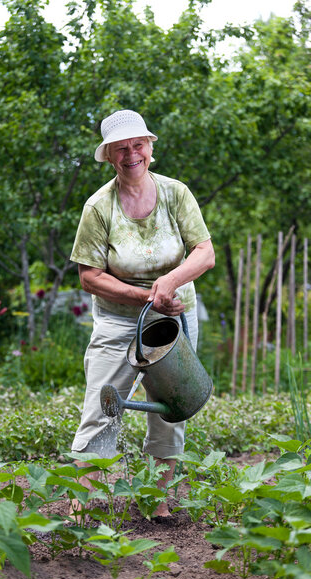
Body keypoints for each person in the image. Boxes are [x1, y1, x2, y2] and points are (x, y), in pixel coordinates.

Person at [70, 109, 215, 519]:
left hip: (174, 320)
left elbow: (205, 253)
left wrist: (169, 284)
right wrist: (146, 297)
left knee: (172, 405)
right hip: (119, 320)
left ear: (150, 147)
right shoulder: (99, 207)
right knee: (103, 406)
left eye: (138, 145)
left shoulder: (175, 193)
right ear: (110, 156)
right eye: (121, 149)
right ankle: (84, 509)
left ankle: (156, 502)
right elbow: (90, 277)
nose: (131, 154)